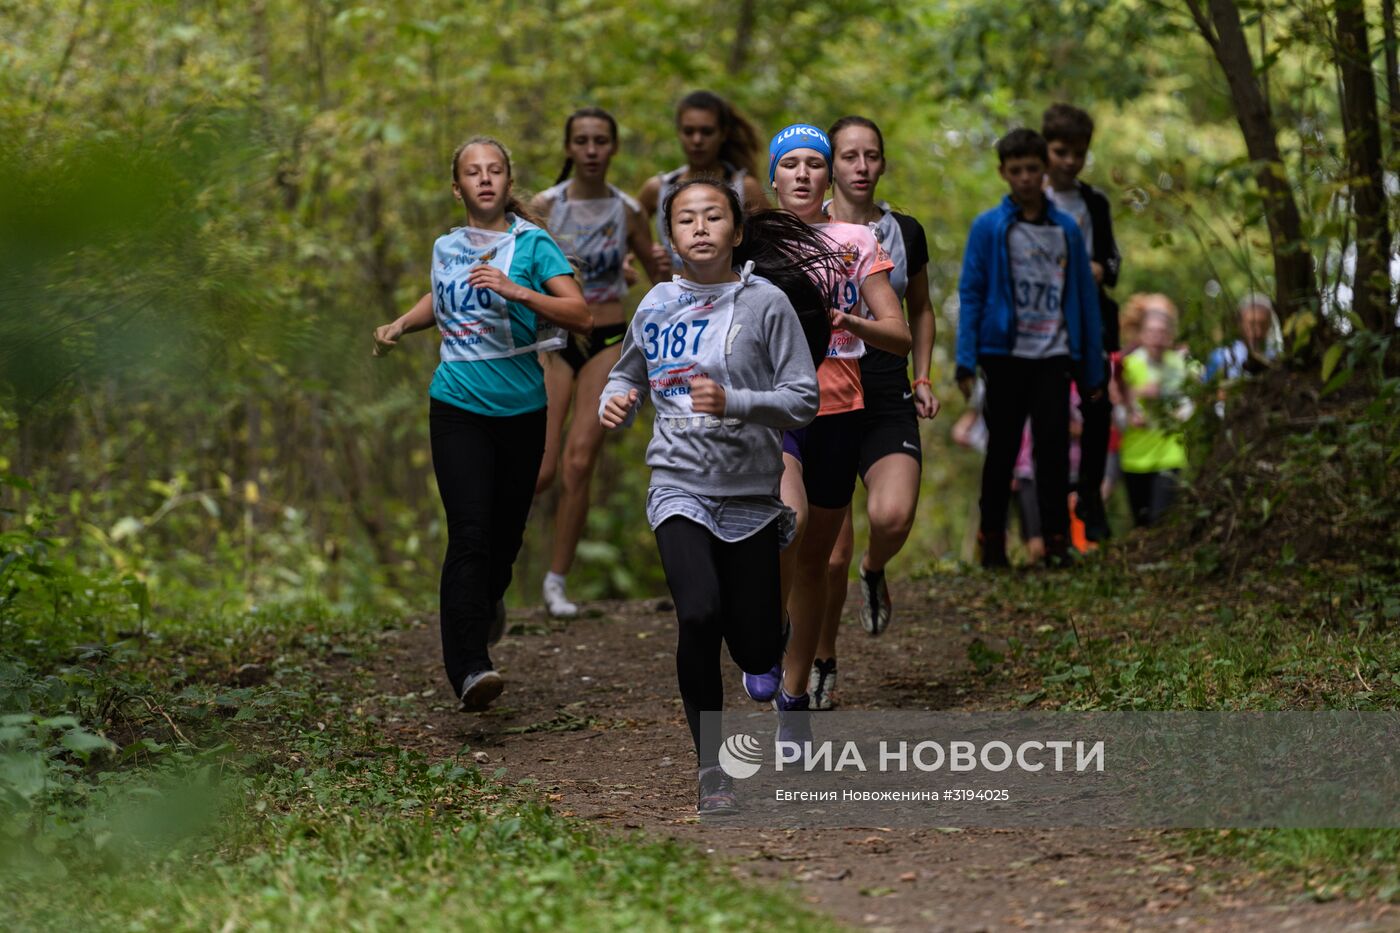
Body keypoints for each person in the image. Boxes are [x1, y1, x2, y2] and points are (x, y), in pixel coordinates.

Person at [598, 178, 838, 815]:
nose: (700, 228)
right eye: (685, 219)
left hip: (751, 494)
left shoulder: (766, 305)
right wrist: (614, 402)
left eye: (712, 217)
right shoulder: (654, 304)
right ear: (670, 236)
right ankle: (712, 770)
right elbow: (627, 374)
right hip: (677, 485)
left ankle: (774, 631)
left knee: (758, 649)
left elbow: (804, 400)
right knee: (697, 614)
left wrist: (735, 401)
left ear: (736, 230)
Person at [372, 137, 591, 712]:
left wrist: (516, 288)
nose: (485, 180)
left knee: (504, 541)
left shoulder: (531, 243)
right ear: (458, 187)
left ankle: (485, 603)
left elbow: (579, 312)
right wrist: (401, 324)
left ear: (507, 181)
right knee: (469, 533)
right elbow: (440, 297)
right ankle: (470, 668)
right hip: (456, 404)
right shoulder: (446, 246)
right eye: (474, 173)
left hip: (521, 406)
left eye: (495, 171)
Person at [740, 124, 911, 726]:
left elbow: (900, 332)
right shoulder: (753, 242)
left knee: (816, 563)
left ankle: (794, 698)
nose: (805, 174)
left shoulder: (856, 238)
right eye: (792, 165)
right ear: (774, 177)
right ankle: (766, 631)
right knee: (791, 523)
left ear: (828, 174)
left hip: (843, 409)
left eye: (816, 163)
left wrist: (851, 321)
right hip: (777, 410)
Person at [811, 115, 939, 710]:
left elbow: (921, 310)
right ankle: (821, 659)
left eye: (871, 156)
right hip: (827, 394)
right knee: (826, 554)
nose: (861, 167)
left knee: (892, 517)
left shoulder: (905, 231)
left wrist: (923, 375)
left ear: (883, 163)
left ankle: (875, 570)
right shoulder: (804, 233)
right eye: (849, 156)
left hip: (887, 392)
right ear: (831, 164)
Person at [532, 108, 664, 618]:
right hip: (555, 341)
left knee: (579, 460)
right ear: (568, 148)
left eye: (600, 141)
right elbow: (524, 266)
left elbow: (661, 275)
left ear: (613, 149)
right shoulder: (546, 206)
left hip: (607, 338)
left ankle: (556, 583)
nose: (591, 150)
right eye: (582, 141)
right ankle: (494, 562)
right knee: (541, 470)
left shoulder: (628, 210)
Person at [955, 128, 1104, 569]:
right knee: (1001, 449)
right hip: (1003, 354)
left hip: (1053, 354)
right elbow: (972, 292)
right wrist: (966, 358)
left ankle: (1057, 540)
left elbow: (1083, 300)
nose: (1024, 178)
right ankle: (994, 539)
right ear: (1003, 172)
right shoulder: (989, 227)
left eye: (1032, 169)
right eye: (1015, 170)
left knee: (1053, 448)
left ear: (1045, 170)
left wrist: (1091, 367)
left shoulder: (1067, 230)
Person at [1041, 103, 1121, 543]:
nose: (1070, 161)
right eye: (1061, 151)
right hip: (1044, 323)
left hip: (1090, 320)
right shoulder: (1034, 198)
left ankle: (1091, 499)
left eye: (1079, 152)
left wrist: (1098, 270)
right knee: (1049, 418)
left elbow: (1113, 260)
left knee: (1097, 407)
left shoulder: (1095, 202)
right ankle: (1051, 516)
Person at [638, 91, 769, 275]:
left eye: (707, 132)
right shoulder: (658, 188)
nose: (697, 140)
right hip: (673, 299)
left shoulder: (744, 187)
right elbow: (626, 229)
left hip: (730, 297)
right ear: (679, 132)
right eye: (689, 131)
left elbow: (771, 248)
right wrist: (645, 258)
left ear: (723, 133)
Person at [1119, 295, 1194, 527]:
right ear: (1142, 334)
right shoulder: (1128, 366)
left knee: (1160, 518)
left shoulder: (1183, 365)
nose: (1157, 339)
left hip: (1169, 454)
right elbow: (1116, 407)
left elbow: (1197, 398)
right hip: (1135, 456)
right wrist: (1134, 403)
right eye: (1151, 332)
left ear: (1170, 335)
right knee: (1141, 522)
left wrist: (1181, 416)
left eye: (1162, 332)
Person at [1204, 292, 1281, 383]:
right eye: (1252, 324)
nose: (1258, 332)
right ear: (1240, 324)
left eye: (1263, 325)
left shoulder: (1277, 357)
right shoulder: (1221, 357)